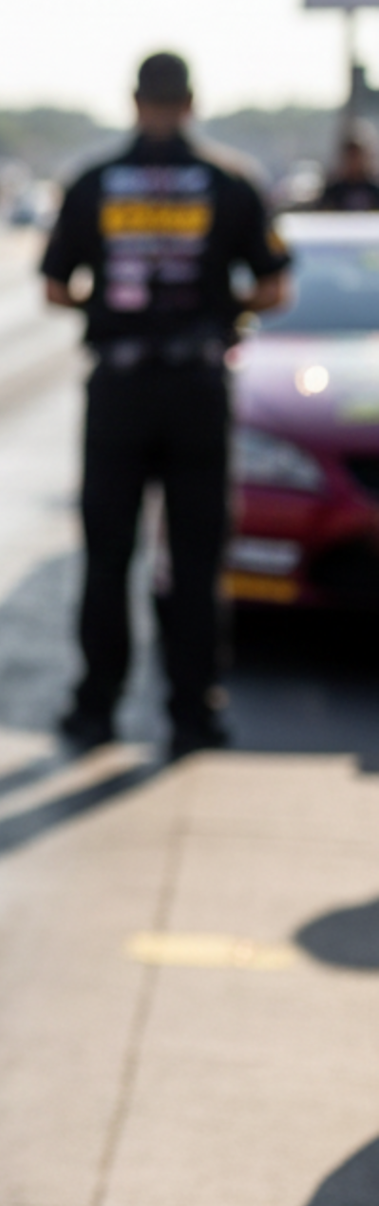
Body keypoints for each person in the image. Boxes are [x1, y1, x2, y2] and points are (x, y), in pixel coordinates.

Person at [40, 52, 290, 761]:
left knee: (107, 559)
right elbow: (276, 288)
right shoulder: (231, 181)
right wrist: (218, 310)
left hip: (119, 391)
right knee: (197, 562)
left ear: (134, 100)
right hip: (197, 391)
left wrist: (111, 311)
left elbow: (55, 289)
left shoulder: (92, 183)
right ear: (191, 101)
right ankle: (192, 716)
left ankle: (95, 711)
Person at [311, 121, 379, 210]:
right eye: (350, 157)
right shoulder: (333, 192)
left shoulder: (373, 191)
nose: (354, 163)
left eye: (357, 157)